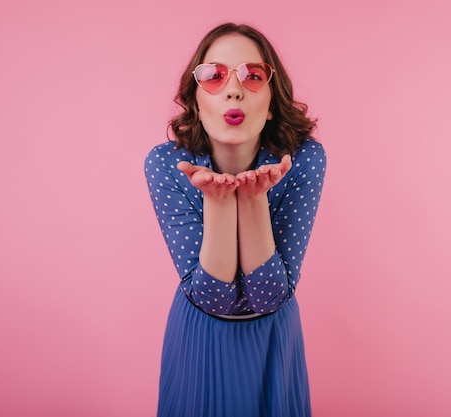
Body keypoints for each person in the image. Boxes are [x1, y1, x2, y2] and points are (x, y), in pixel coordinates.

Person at [144, 22, 326, 417]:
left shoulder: (304, 160)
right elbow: (214, 298)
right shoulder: (165, 164)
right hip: (199, 340)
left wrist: (253, 197)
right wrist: (220, 203)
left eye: (253, 76)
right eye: (213, 76)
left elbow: (269, 296)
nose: (233, 89)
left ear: (272, 101)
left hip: (274, 342)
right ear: (195, 98)